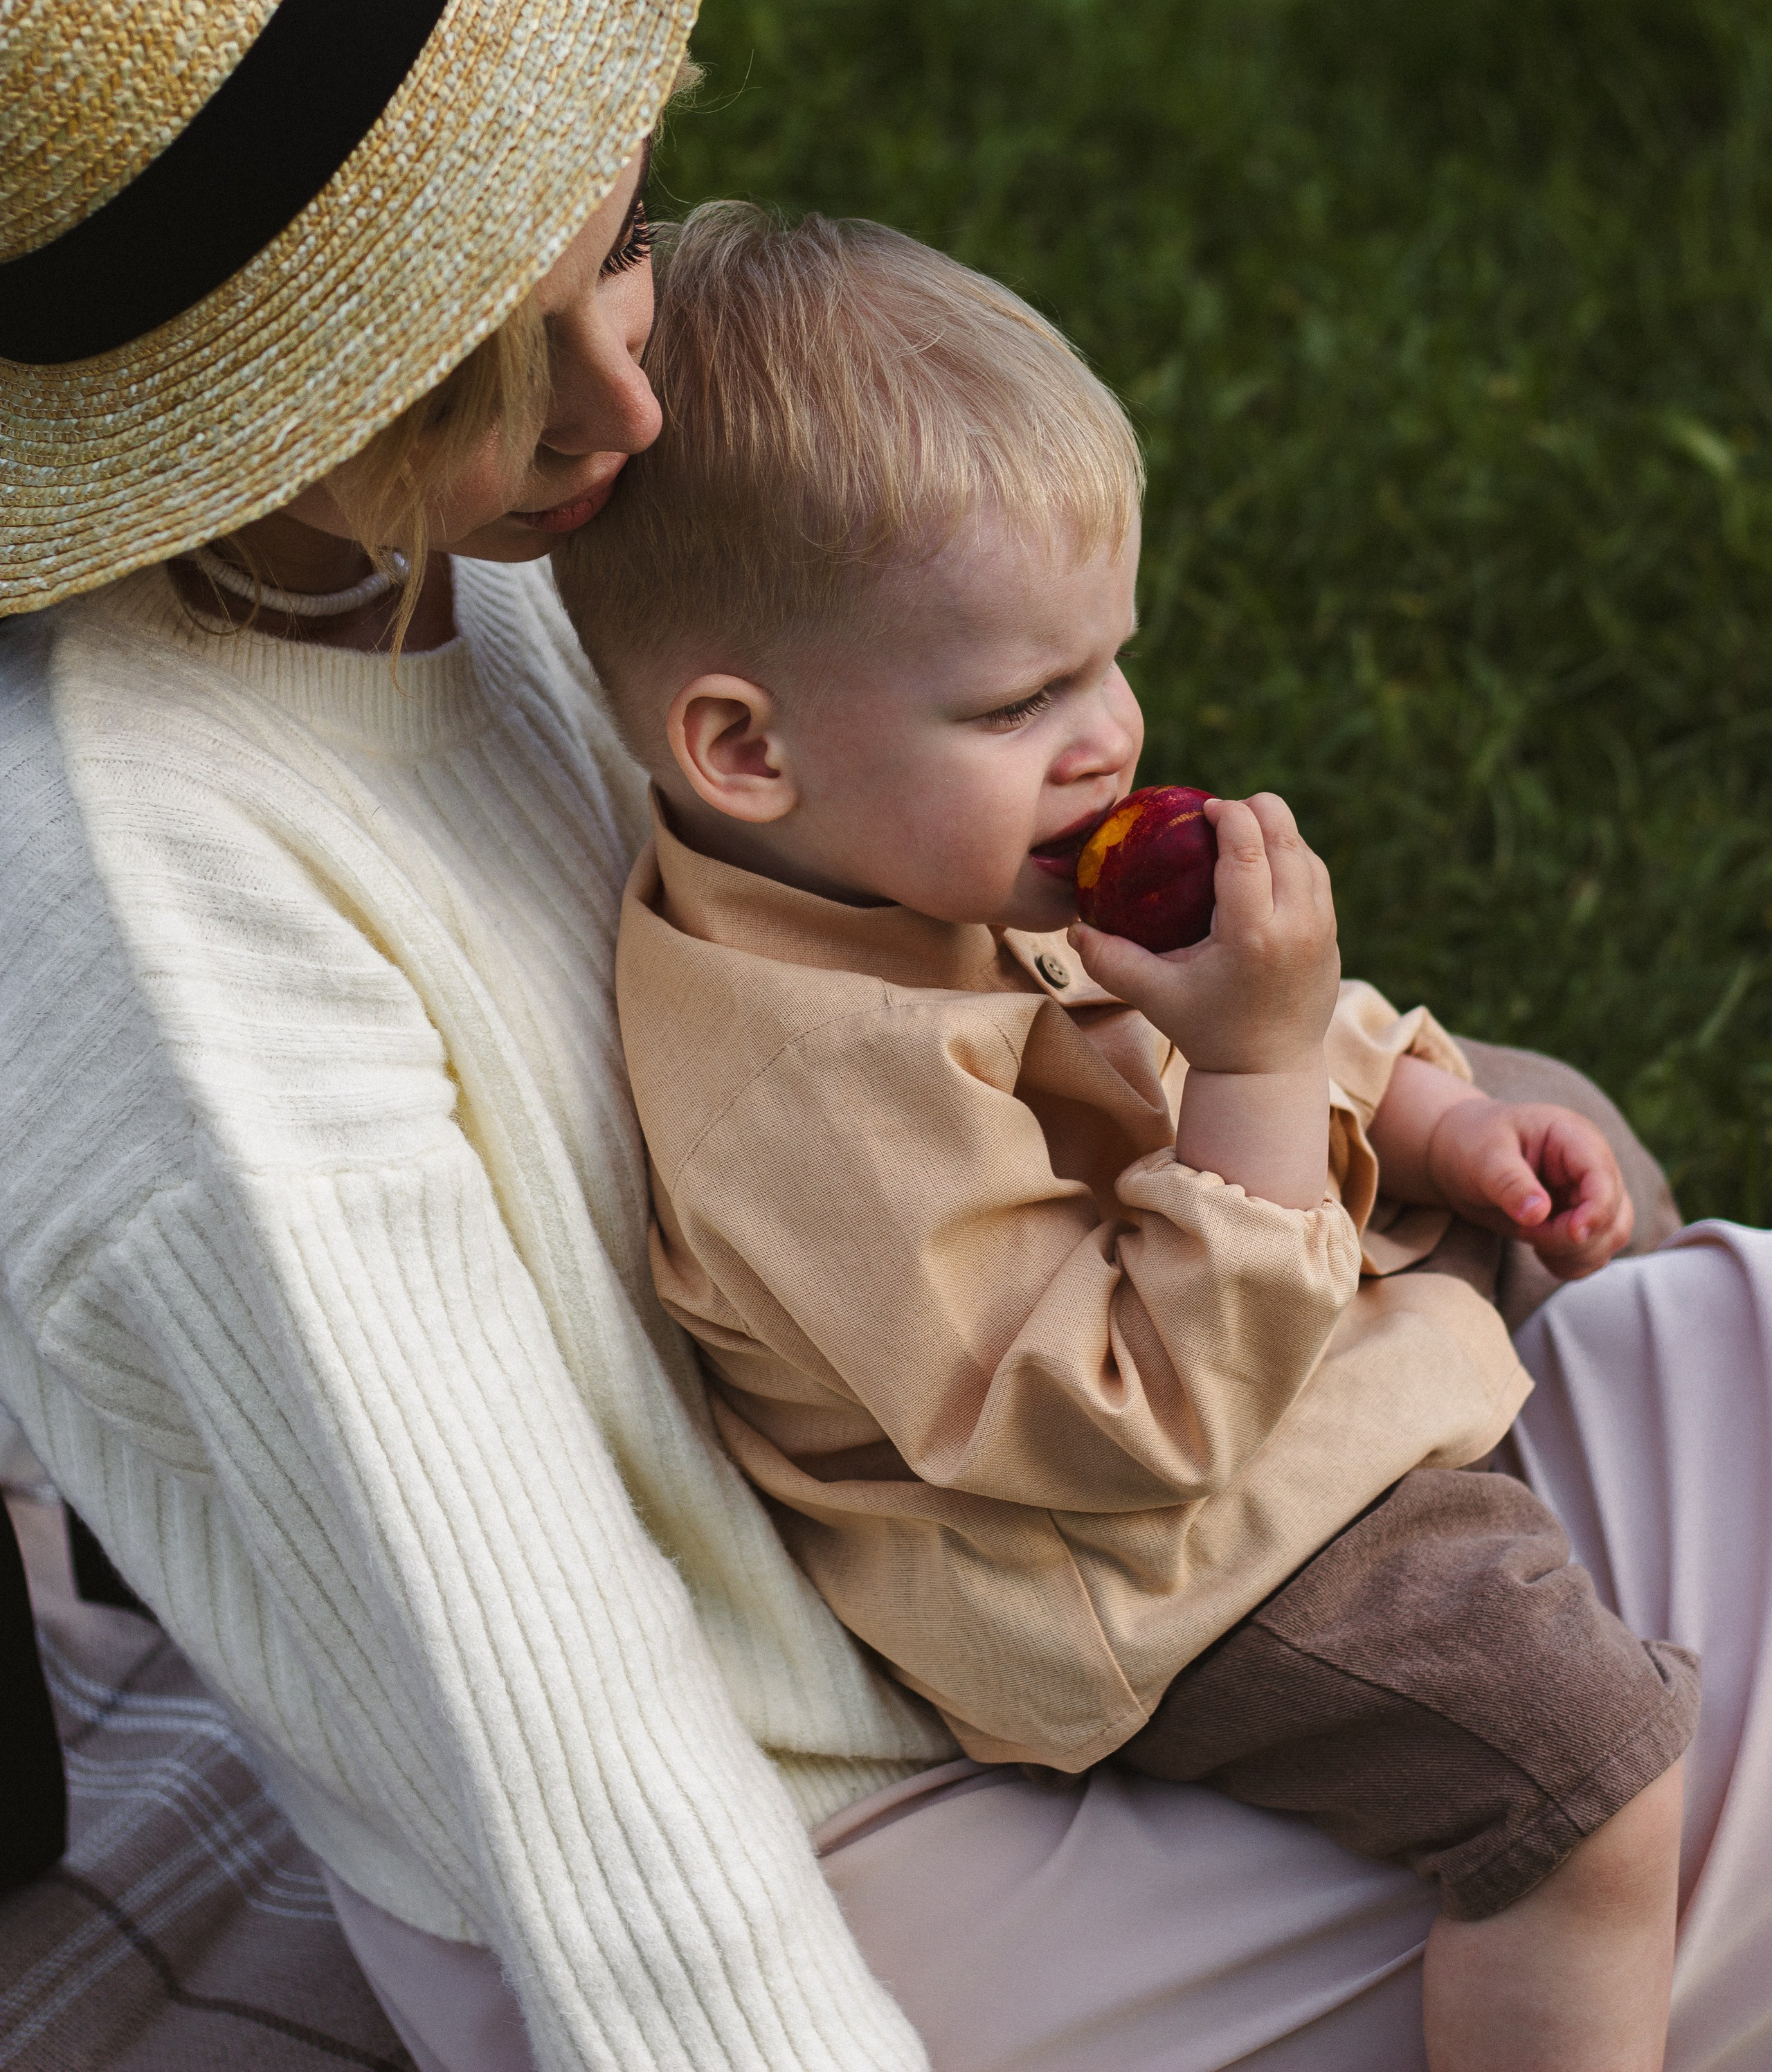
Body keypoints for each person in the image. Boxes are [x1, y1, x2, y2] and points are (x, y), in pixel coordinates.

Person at [1, 0, 1769, 2072]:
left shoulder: (430, 552)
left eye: (616, 233)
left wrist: (1362, 1089)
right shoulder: (169, 943)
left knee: (1646, 1226)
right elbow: (568, 1736)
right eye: (508, 347)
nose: (636, 383)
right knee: (1651, 1762)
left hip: (960, 1509)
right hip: (837, 1823)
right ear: (286, 388)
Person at [553, 204, 1694, 2072]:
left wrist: (1432, 1113)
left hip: (1258, 1335)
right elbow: (1121, 1425)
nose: (1113, 739)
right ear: (742, 748)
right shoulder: (806, 1101)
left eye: (1108, 662)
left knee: (1557, 1118)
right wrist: (1255, 1080)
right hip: (1175, 1569)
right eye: (1022, 700)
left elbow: (1210, 1037)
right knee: (1583, 1769)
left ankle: (1609, 1344)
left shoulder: (900, 841)